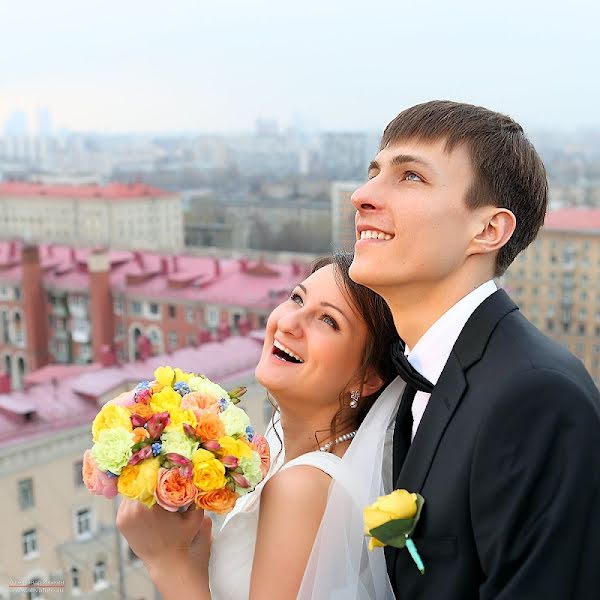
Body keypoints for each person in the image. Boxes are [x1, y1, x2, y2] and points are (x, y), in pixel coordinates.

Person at [350, 100, 600, 599]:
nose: (361, 196)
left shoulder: (537, 396)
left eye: (411, 177)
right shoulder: (410, 375)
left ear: (487, 230)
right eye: (374, 172)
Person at [116, 252, 402, 599]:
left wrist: (166, 561)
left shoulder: (303, 486)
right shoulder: (291, 453)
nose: (288, 323)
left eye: (328, 320)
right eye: (297, 298)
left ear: (369, 378)